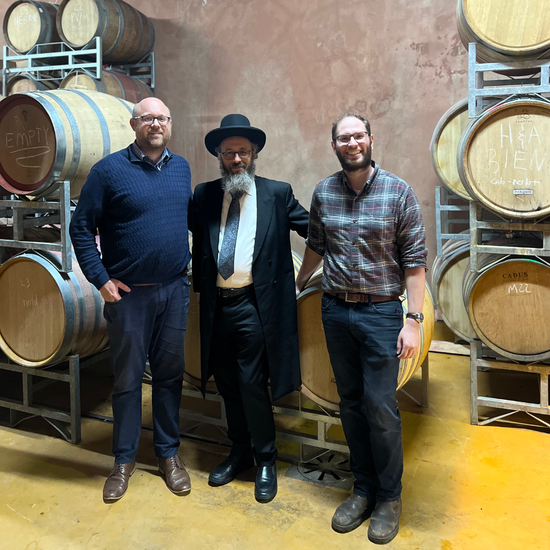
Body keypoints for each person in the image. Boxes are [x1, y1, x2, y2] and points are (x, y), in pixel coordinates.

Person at [295, 113, 427, 544]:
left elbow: (415, 263)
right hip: (334, 311)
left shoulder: (398, 191)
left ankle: (390, 496)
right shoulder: (324, 192)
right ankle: (363, 488)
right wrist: (297, 285)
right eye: (343, 138)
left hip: (381, 314)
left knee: (380, 407)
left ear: (370, 140)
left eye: (358, 135)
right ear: (333, 145)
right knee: (350, 403)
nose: (351, 143)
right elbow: (317, 246)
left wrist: (414, 321)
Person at [70, 98, 193, 503]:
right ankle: (123, 460)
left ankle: (168, 455)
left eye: (162, 118)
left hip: (174, 291)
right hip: (129, 298)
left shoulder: (181, 168)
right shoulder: (108, 171)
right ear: (133, 124)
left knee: (169, 376)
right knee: (125, 381)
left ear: (170, 125)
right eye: (147, 118)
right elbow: (81, 228)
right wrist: (101, 280)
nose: (155, 124)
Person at [192, 114, 308, 503]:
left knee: (252, 385)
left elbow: (318, 229)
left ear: (254, 153)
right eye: (229, 153)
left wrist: (308, 276)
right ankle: (238, 451)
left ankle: (265, 460)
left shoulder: (277, 193)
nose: (236, 158)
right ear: (219, 157)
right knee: (226, 384)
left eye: (243, 151)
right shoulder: (204, 195)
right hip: (215, 308)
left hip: (253, 308)